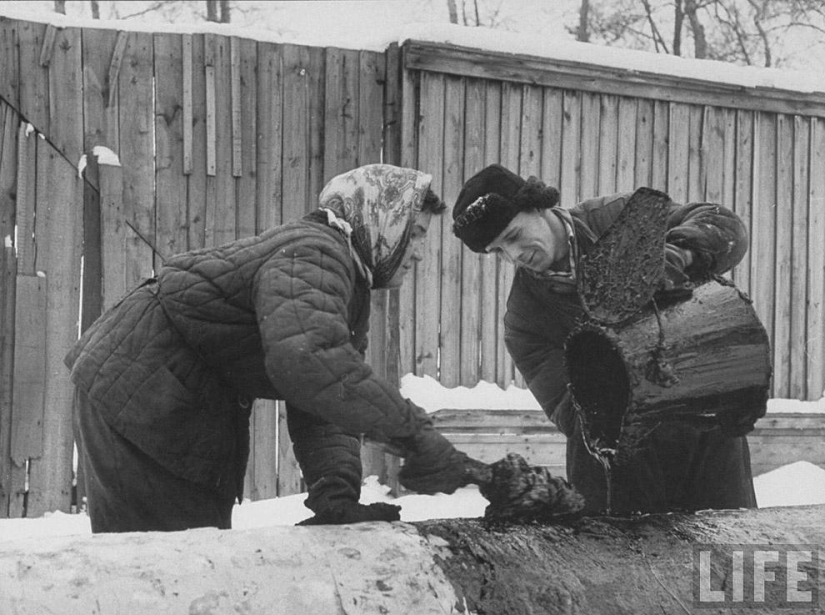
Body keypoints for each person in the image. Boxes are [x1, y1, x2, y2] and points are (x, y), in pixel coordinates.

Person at [67, 164, 475, 533]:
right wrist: (414, 433)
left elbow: (323, 394)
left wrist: (337, 494)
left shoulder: (343, 274)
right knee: (169, 566)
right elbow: (310, 361)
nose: (420, 254)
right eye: (416, 234)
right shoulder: (317, 253)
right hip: (145, 390)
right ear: (383, 220)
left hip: (161, 392)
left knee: (190, 556)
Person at [451, 164, 757, 515]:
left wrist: (677, 254)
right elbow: (573, 415)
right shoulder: (525, 320)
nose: (515, 255)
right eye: (499, 251)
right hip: (623, 464)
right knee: (626, 564)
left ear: (537, 205)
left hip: (706, 425)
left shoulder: (617, 218)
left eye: (514, 235)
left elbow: (724, 225)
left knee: (725, 554)